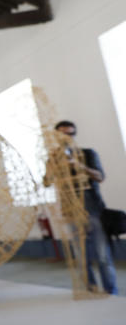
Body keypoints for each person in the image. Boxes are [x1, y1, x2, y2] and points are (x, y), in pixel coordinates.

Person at [49, 120, 118, 294]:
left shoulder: (88, 154)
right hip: (70, 211)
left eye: (70, 134)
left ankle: (111, 292)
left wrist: (79, 166)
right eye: (63, 134)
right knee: (81, 256)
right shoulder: (53, 158)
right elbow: (46, 182)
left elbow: (100, 176)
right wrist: (53, 166)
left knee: (102, 255)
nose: (67, 138)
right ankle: (91, 290)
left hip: (93, 209)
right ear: (56, 136)